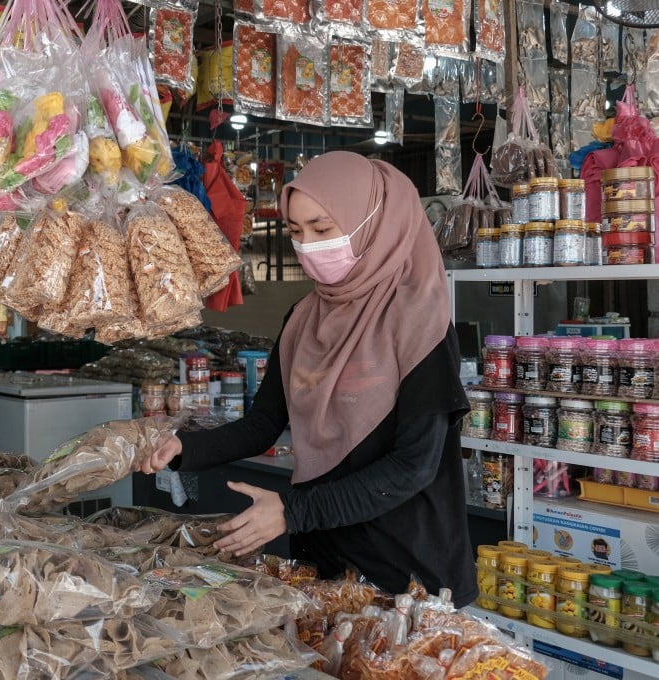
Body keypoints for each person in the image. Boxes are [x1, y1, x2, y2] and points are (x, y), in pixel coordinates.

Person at [140, 151, 478, 606]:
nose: (308, 246)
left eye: (322, 229)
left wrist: (292, 511)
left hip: (409, 578)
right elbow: (263, 423)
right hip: (323, 565)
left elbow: (413, 466)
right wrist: (184, 448)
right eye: (296, 232)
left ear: (370, 223)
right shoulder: (303, 319)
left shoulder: (422, 323)